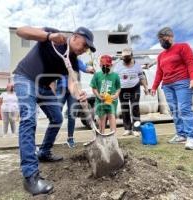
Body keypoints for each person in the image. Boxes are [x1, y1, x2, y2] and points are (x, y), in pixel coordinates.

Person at [13, 26, 95, 195]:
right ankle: (30, 177)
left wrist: (78, 93)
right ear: (76, 36)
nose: (85, 50)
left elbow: (72, 83)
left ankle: (43, 152)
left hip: (43, 87)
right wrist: (49, 36)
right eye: (85, 45)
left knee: (57, 118)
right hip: (25, 77)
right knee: (28, 120)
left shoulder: (72, 61)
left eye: (88, 49)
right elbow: (20, 31)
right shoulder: (54, 36)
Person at [151, 27, 193, 150]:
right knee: (174, 110)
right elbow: (159, 72)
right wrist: (154, 87)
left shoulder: (183, 47)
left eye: (163, 38)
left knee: (184, 108)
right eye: (159, 40)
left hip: (182, 82)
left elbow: (190, 62)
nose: (161, 41)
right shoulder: (161, 56)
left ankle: (192, 137)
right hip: (167, 85)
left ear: (170, 36)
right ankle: (181, 134)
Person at [55, 59, 95, 148]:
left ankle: (70, 138)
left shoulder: (76, 60)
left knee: (71, 114)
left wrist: (92, 68)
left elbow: (86, 69)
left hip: (73, 90)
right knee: (56, 113)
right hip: (60, 89)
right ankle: (53, 136)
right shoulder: (60, 59)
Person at [114, 48, 149, 137]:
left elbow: (142, 77)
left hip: (135, 88)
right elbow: (115, 79)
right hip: (122, 89)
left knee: (135, 108)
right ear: (122, 57)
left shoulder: (137, 65)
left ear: (131, 56)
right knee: (125, 108)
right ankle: (127, 129)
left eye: (127, 56)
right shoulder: (118, 66)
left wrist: (145, 87)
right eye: (124, 56)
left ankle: (136, 129)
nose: (126, 58)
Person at [90, 55, 121, 134]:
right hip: (100, 101)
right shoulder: (97, 75)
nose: (105, 67)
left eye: (107, 65)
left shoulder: (115, 75)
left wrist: (116, 94)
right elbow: (94, 88)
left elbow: (118, 88)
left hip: (111, 101)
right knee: (102, 118)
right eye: (103, 65)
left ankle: (113, 135)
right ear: (100, 65)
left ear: (111, 65)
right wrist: (98, 96)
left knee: (111, 116)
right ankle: (102, 134)